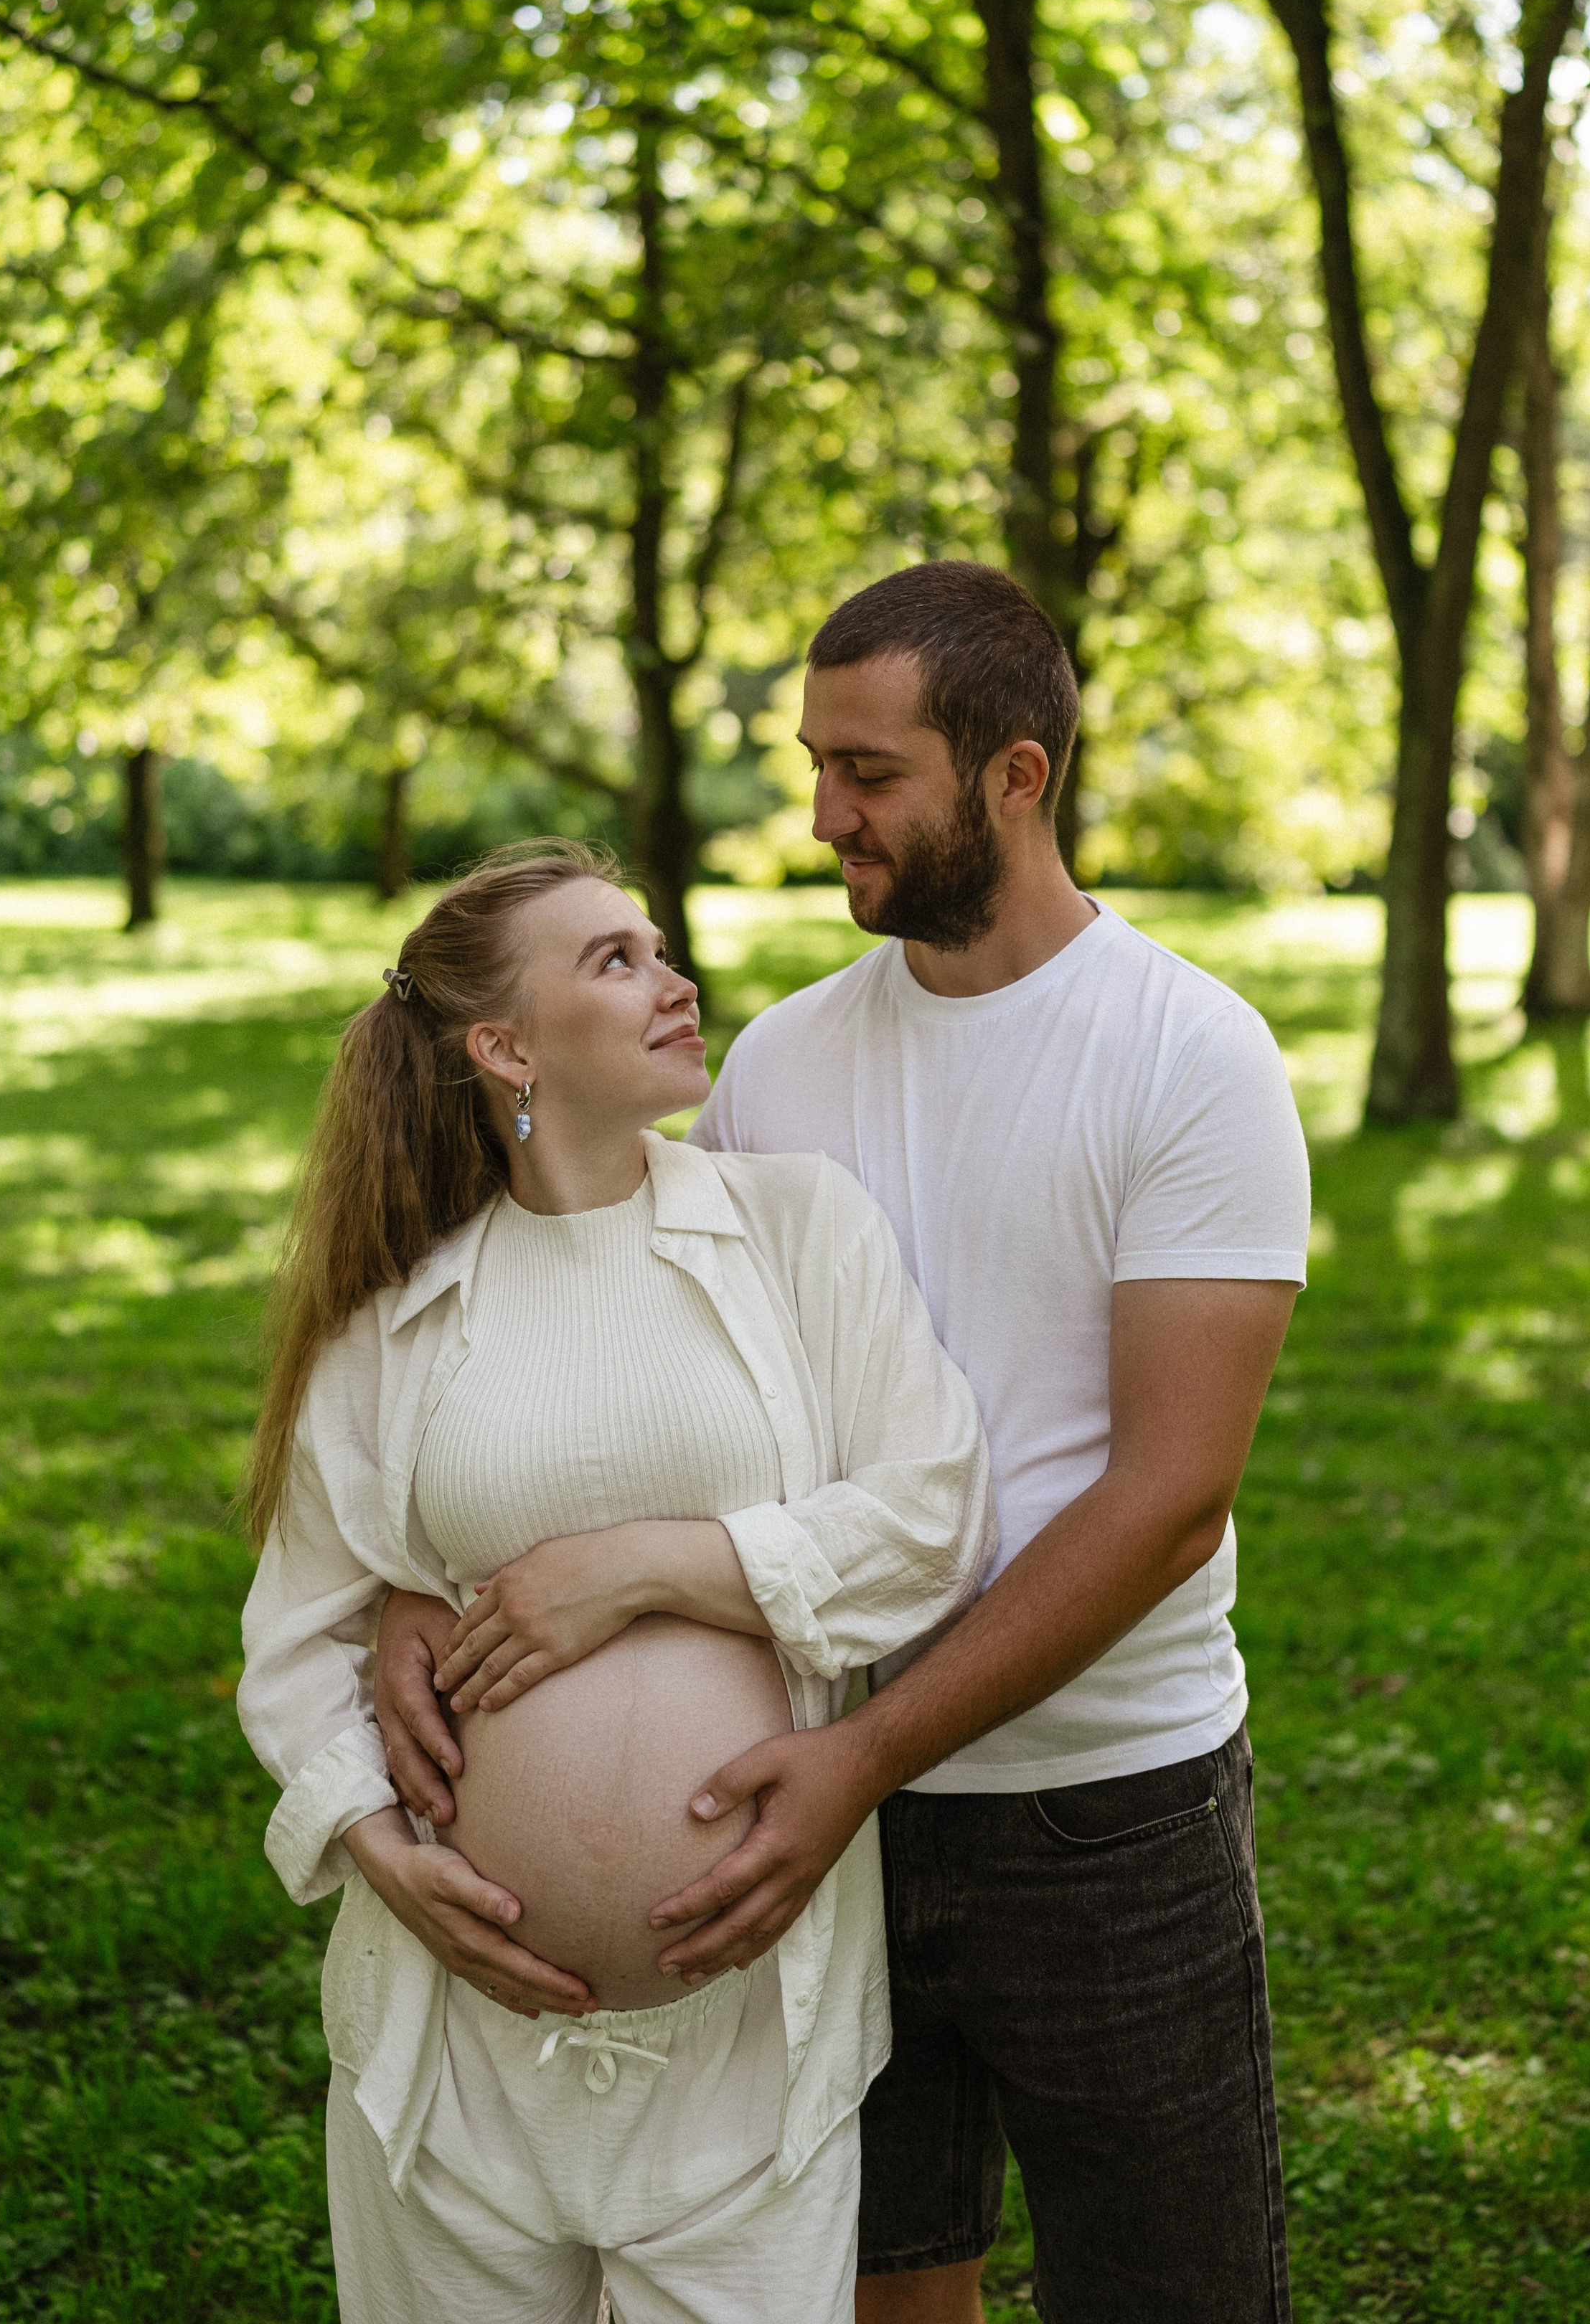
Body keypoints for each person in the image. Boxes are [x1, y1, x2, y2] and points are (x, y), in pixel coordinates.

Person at [379, 563, 1311, 2324]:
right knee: (878, 2296)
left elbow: (1170, 1499)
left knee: (1171, 2298)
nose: (823, 818)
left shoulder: (1188, 1055)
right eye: (815, 766)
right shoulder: (781, 1067)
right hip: (805, 1821)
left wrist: (866, 1753)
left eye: (869, 774)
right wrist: (413, 1594)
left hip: (1099, 1809)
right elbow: (632, 1372)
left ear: (1014, 777)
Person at [238, 839, 994, 2324]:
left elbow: (933, 1515)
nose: (673, 979)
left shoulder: (795, 1228)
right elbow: (299, 1634)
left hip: (746, 2051)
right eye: (616, 960)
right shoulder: (396, 1320)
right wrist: (382, 1857)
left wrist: (657, 1569)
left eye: (653, 947)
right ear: (504, 1048)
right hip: (452, 2053)